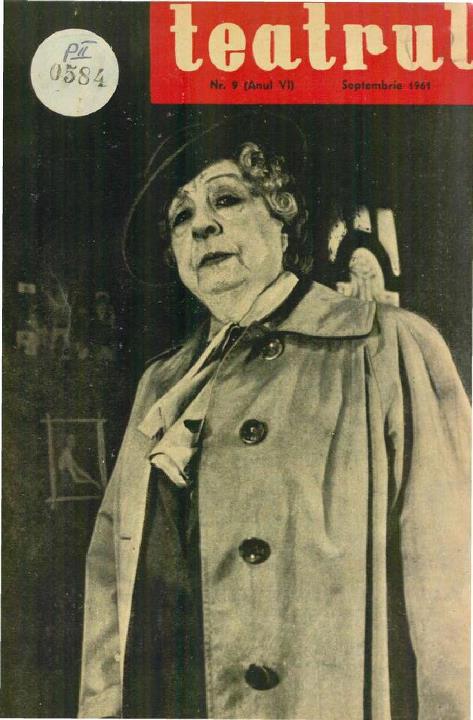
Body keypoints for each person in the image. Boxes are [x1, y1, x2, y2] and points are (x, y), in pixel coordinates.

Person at [78, 113, 470, 720]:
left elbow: (453, 573)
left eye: (226, 200)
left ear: (283, 221)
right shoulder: (162, 383)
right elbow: (112, 576)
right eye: (181, 217)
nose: (201, 225)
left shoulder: (388, 345)